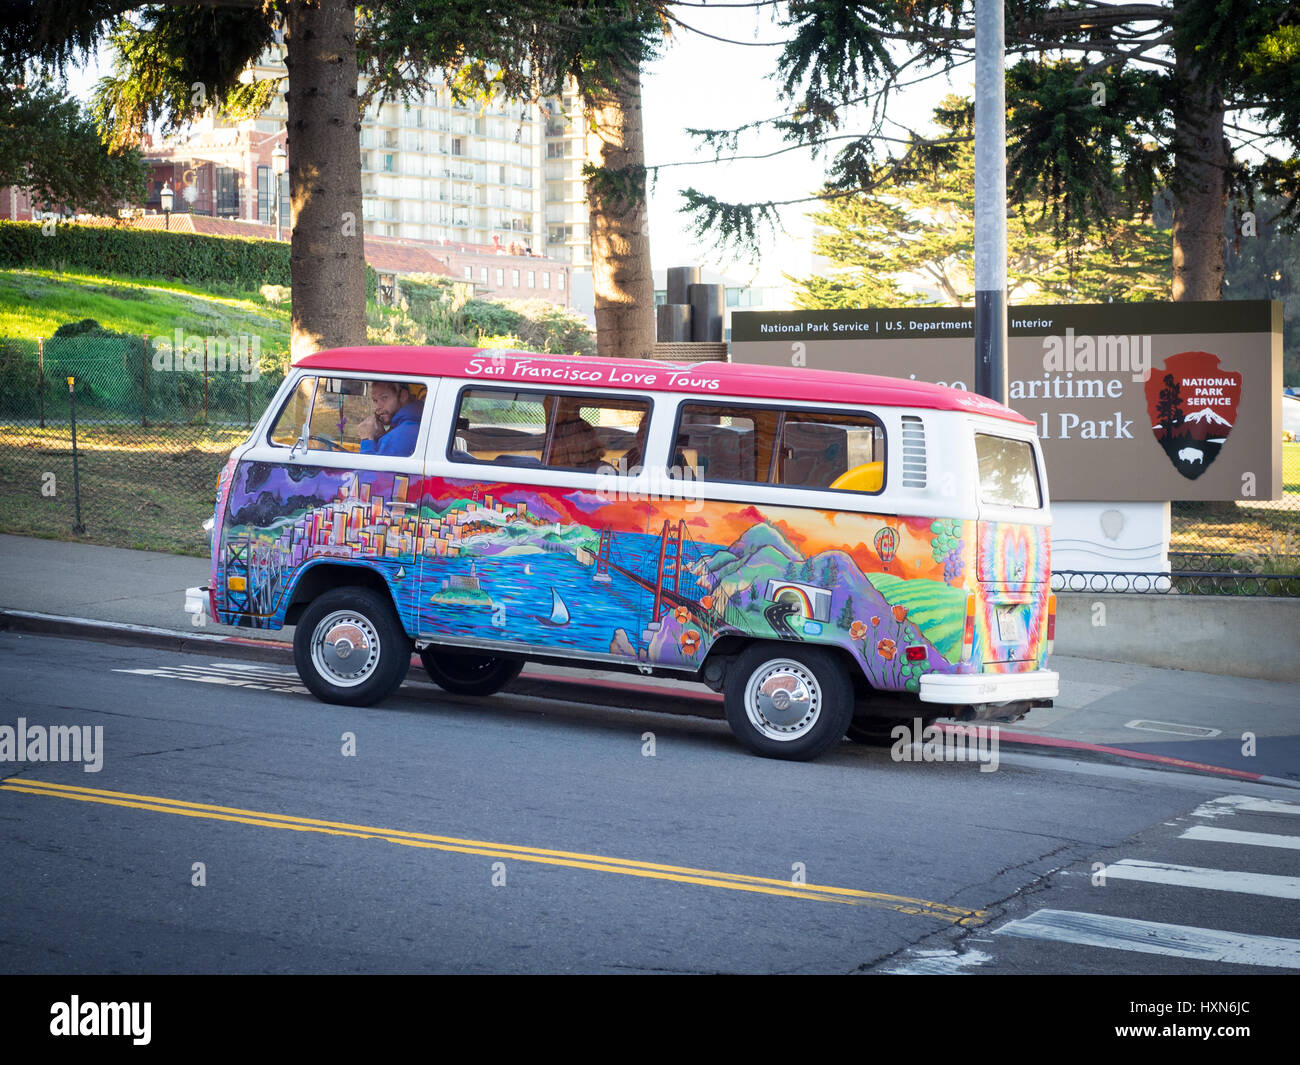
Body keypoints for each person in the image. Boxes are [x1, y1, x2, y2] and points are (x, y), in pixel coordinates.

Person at [357, 381, 423, 457]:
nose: (378, 407)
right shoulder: (413, 423)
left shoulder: (400, 436)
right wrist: (381, 436)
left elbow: (369, 468)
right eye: (375, 401)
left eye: (384, 398)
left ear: (403, 396)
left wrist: (367, 439)